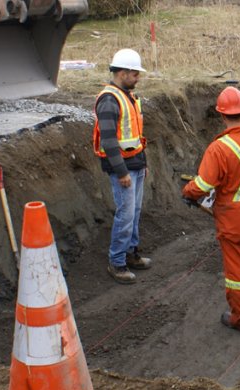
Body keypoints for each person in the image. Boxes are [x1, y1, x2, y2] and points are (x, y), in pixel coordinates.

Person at [182, 86, 240, 332]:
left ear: (222, 115)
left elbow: (203, 184)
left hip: (233, 222)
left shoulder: (219, 149)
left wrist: (188, 192)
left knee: (238, 272)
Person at [93, 48, 152, 284]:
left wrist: (142, 164)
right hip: (123, 169)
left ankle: (131, 253)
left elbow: (134, 136)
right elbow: (108, 141)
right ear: (123, 73)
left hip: (135, 164)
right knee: (125, 215)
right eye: (135, 74)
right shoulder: (109, 100)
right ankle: (117, 262)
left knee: (134, 212)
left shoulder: (127, 96)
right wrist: (122, 172)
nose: (138, 78)